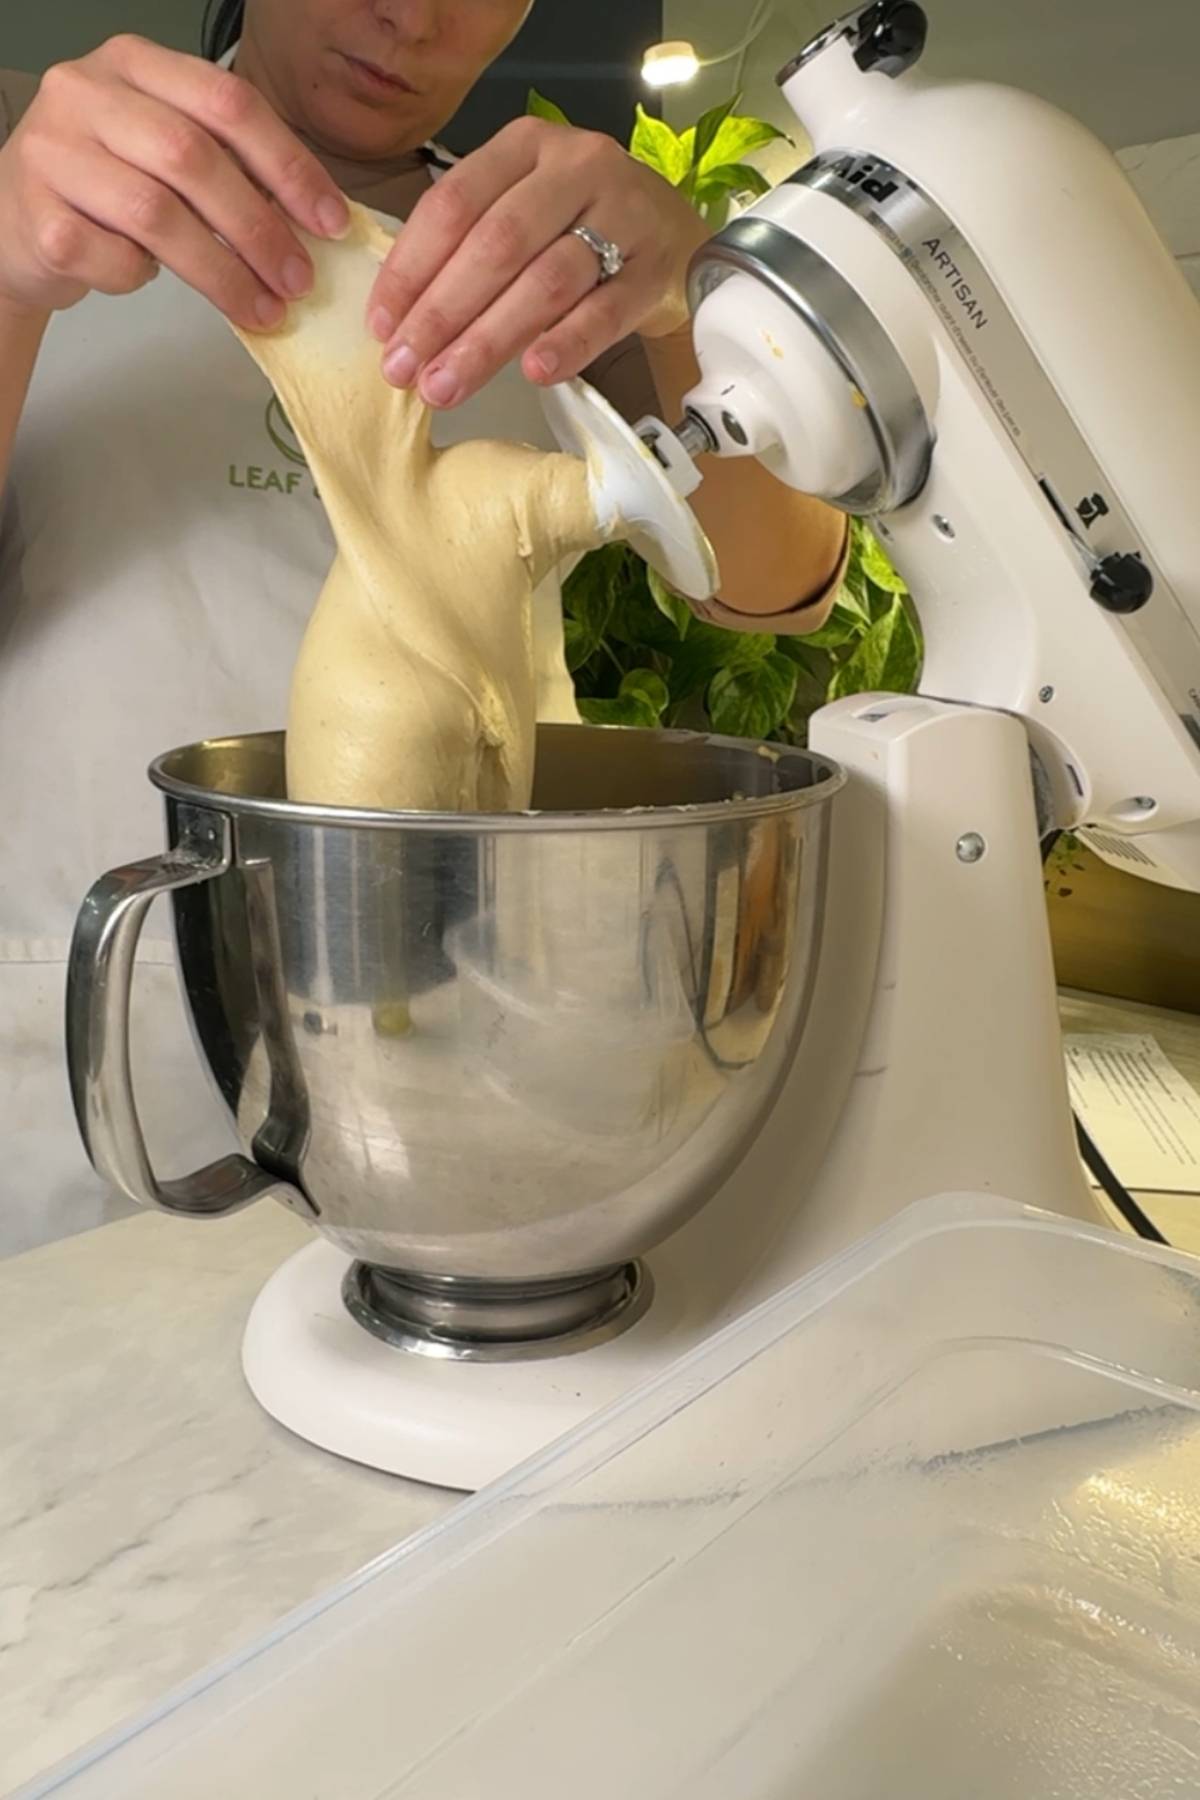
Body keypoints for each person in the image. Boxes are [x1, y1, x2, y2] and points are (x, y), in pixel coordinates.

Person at [0, 2, 848, 1254]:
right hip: (81, 1059)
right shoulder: (42, 173)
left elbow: (780, 581)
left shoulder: (549, 250)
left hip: (452, 1061)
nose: (414, 13)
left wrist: (693, 300)